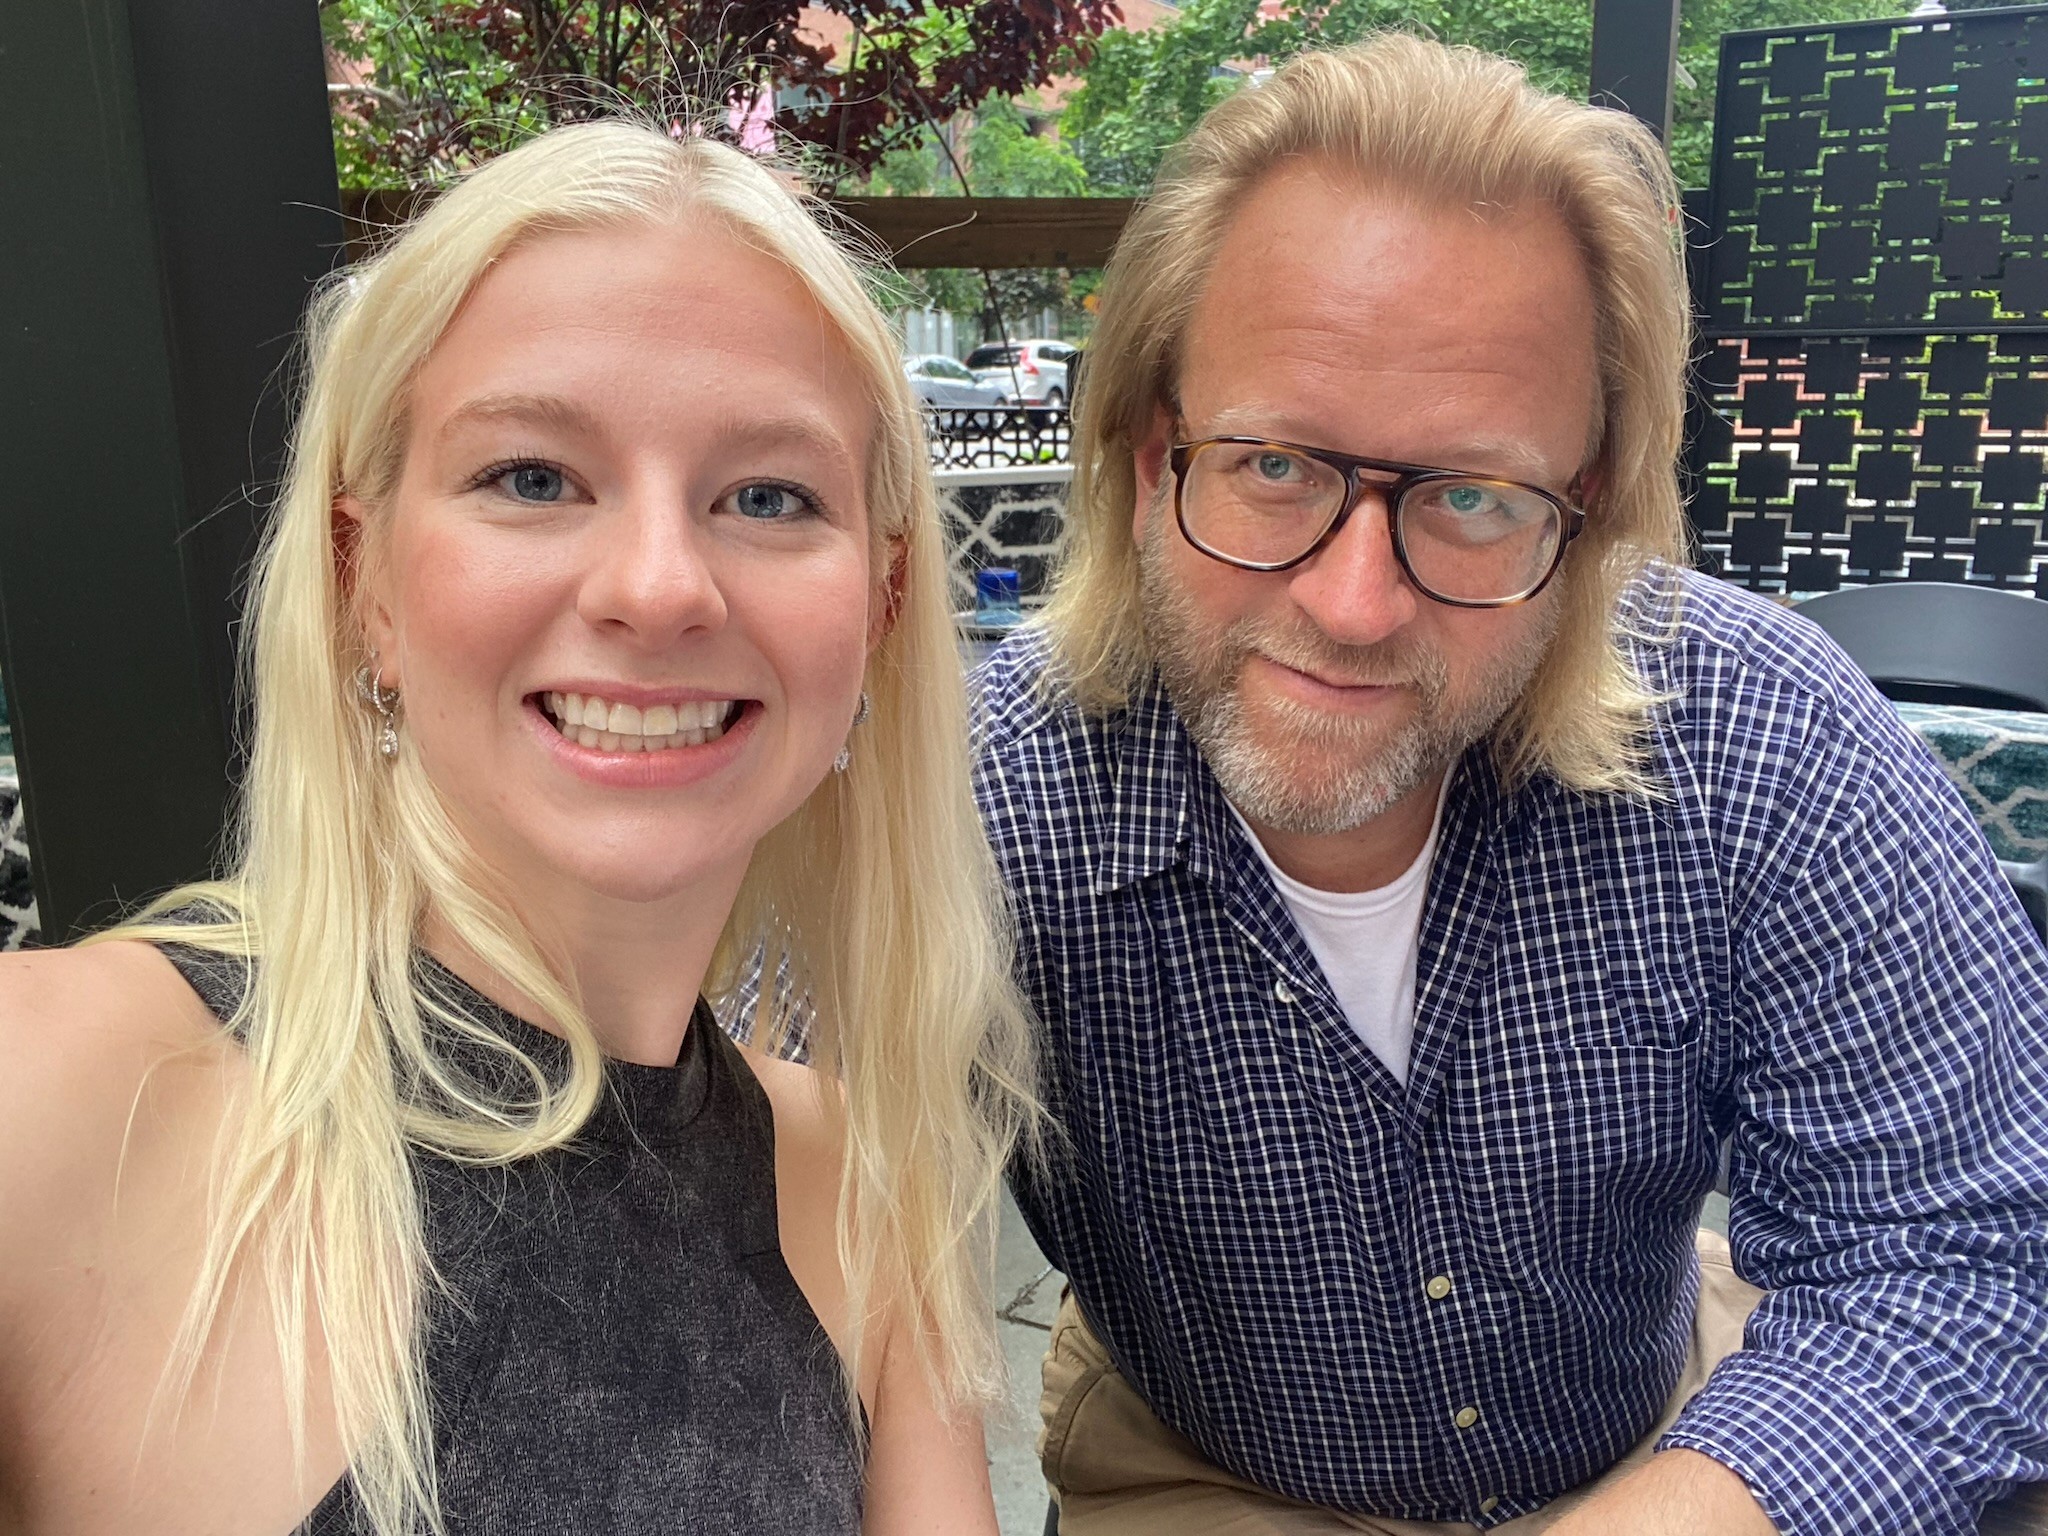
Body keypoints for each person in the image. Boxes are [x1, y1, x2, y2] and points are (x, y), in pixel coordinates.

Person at [978, 33, 2048, 1536]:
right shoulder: (990, 797)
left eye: (1473, 497)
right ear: (1154, 456)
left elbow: (1963, 1249)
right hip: (1207, 1465)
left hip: (1650, 1448)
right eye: (1273, 465)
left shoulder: (1754, 736)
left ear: (1590, 505)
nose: (1353, 607)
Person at [0, 121, 1035, 1535]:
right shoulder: (52, 1099)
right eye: (534, 477)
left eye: (770, 496)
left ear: (883, 608)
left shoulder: (864, 1191)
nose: (661, 587)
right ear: (363, 582)